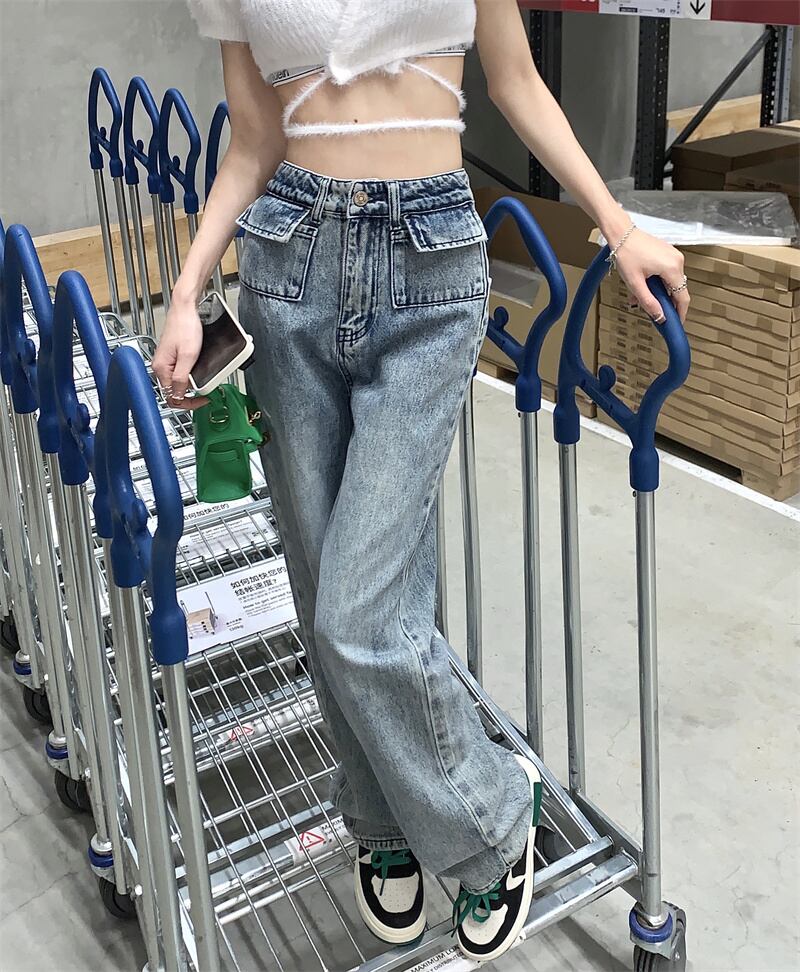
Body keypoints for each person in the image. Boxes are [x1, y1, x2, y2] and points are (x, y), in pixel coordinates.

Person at [154, 0, 690, 961]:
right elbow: (256, 138)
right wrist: (189, 288)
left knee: (358, 612)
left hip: (430, 264)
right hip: (289, 264)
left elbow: (516, 81)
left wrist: (618, 228)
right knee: (322, 583)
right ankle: (380, 820)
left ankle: (489, 819)